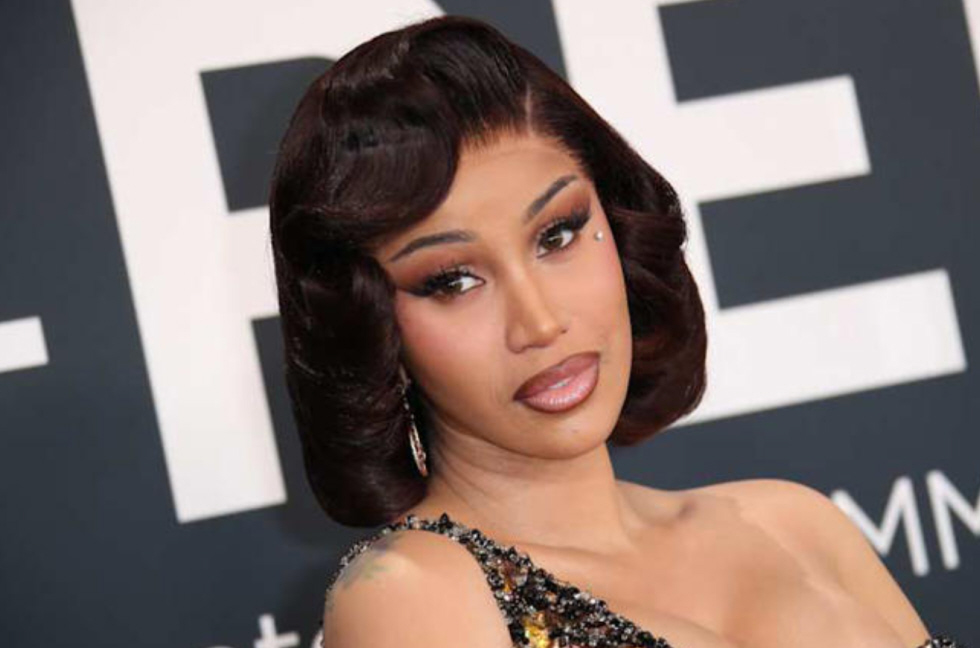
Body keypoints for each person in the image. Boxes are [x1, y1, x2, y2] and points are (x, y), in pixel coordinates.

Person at [267, 14, 962, 648]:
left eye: (558, 235)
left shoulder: (797, 524)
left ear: (617, 222)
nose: (540, 321)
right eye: (453, 281)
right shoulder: (409, 595)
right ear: (371, 328)